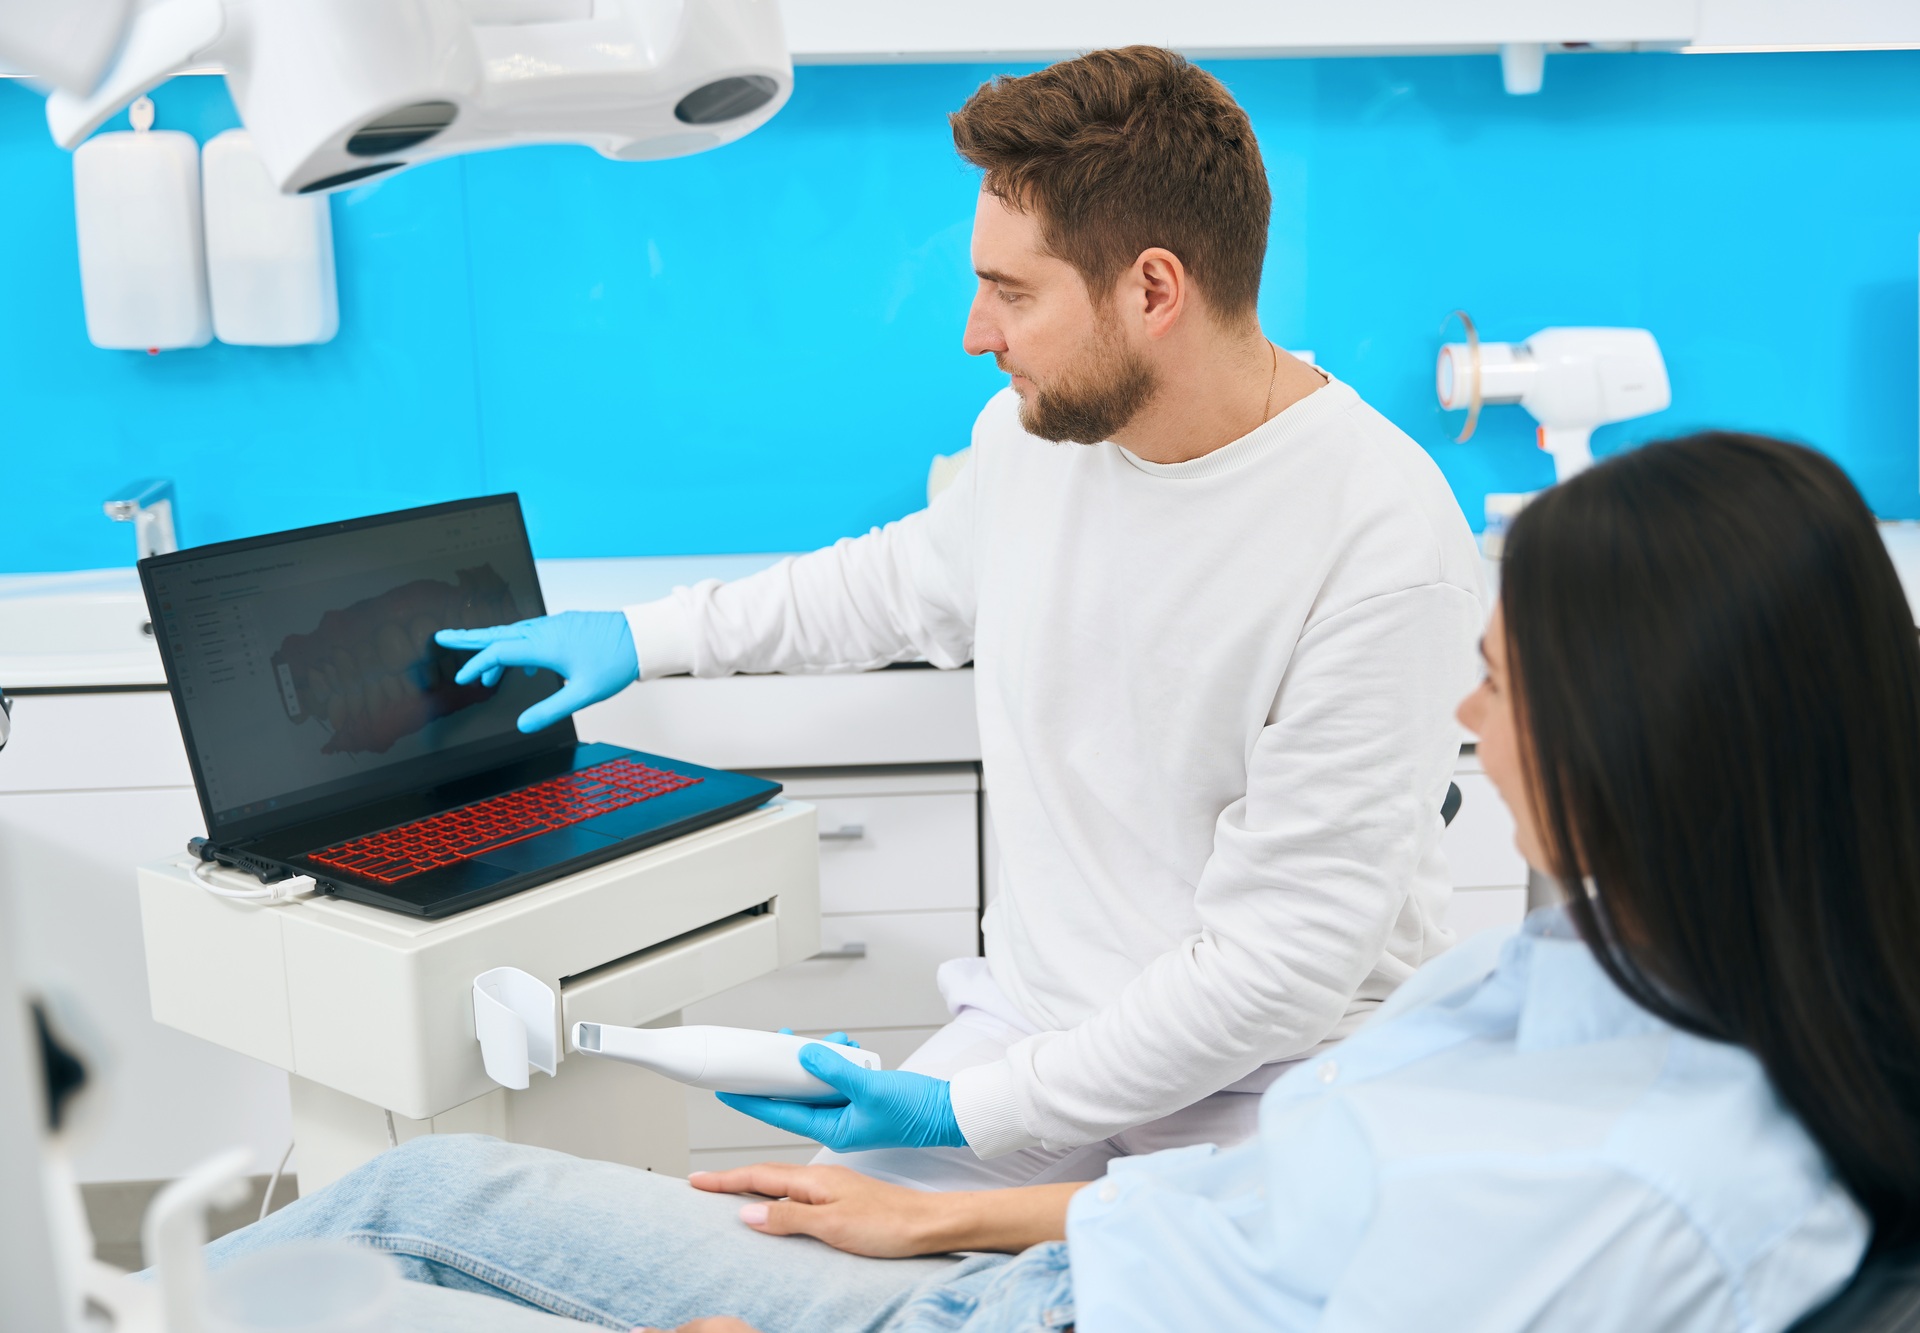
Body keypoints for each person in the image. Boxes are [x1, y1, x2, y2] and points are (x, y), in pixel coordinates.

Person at [217, 432, 1920, 1332]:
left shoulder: (1641, 1192)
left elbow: (1288, 978)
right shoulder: (1614, 976)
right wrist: (967, 1203)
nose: (1466, 717)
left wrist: (982, 1126)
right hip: (1066, 1259)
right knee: (400, 1226)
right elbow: (1295, 1222)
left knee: (387, 1219)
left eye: (1505, 681)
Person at [436, 46, 1485, 1188]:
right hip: (1032, 1028)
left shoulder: (1377, 537)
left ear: (1151, 290)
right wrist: (647, 637)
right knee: (798, 1265)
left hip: (1273, 1092)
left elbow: (1274, 971)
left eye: (1013, 292)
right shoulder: (1039, 441)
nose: (975, 332)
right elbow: (897, 582)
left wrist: (969, 1112)